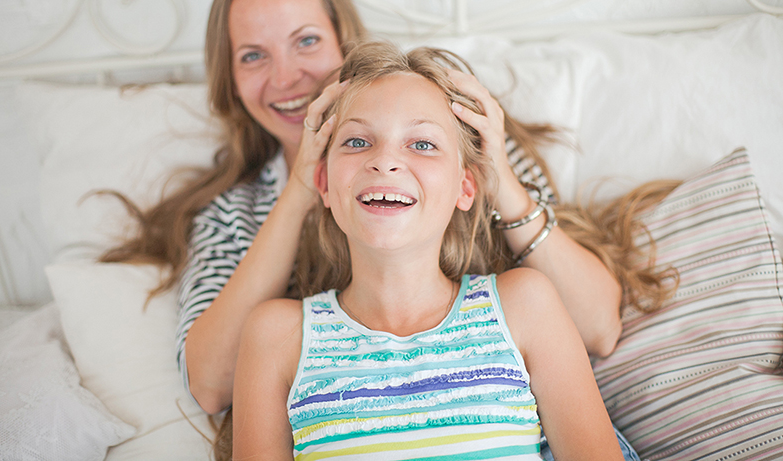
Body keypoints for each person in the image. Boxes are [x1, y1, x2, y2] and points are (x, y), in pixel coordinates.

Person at [231, 41, 625, 460]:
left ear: (466, 187)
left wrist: (503, 179)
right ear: (324, 184)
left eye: (422, 144)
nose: (385, 161)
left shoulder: (525, 307)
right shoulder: (277, 338)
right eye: (357, 141)